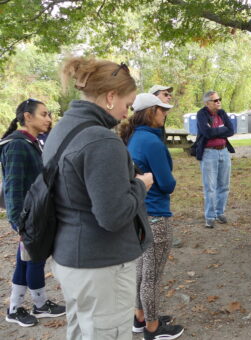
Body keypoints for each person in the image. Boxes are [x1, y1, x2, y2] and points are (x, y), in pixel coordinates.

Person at [44, 57, 154, 340]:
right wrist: (141, 186)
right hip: (101, 267)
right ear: (110, 96)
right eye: (127, 105)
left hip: (72, 259)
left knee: (81, 331)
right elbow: (113, 215)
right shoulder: (102, 141)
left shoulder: (62, 130)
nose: (126, 114)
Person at [119, 93, 184, 340]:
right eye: (162, 109)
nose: (165, 113)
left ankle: (140, 317)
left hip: (140, 213)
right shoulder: (152, 142)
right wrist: (170, 178)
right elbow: (167, 184)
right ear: (150, 112)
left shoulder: (134, 138)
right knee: (152, 276)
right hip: (156, 213)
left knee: (142, 270)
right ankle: (153, 328)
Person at [0, 99, 65, 327]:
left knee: (28, 259)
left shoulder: (32, 142)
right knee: (33, 259)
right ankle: (28, 306)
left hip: (36, 212)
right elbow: (12, 186)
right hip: (29, 216)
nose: (49, 119)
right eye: (44, 114)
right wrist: (19, 223)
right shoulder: (17, 145)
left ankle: (25, 306)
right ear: (28, 117)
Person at [149, 84, 183, 249]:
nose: (169, 96)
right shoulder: (148, 122)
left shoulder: (160, 119)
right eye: (165, 94)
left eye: (169, 94)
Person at [195, 91, 235, 228]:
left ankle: (220, 212)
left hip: (224, 151)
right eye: (215, 100)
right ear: (207, 103)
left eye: (219, 99)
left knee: (224, 185)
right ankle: (210, 216)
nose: (218, 102)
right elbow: (206, 133)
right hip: (208, 153)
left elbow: (231, 130)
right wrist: (221, 129)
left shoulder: (222, 113)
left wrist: (215, 130)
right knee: (210, 187)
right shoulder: (201, 114)